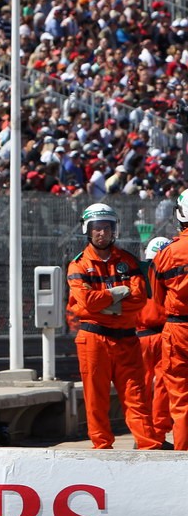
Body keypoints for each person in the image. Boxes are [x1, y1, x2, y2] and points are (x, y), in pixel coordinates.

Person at [66, 203, 161, 450]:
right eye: (97, 228)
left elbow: (139, 299)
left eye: (107, 228)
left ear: (113, 230)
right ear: (88, 230)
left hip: (127, 339)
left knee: (136, 396)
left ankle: (148, 445)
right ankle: (102, 446)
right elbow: (85, 302)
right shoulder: (78, 265)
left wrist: (105, 303)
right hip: (93, 340)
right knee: (95, 398)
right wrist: (119, 293)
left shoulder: (128, 261)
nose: (102, 233)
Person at [150, 190, 188, 450]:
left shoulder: (167, 253)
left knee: (180, 398)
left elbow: (155, 298)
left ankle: (183, 459)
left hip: (177, 328)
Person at [139, 236, 173, 445]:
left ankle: (142, 435)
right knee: (163, 386)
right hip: (165, 334)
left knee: (139, 388)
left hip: (139, 336)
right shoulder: (171, 273)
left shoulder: (137, 275)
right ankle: (158, 435)